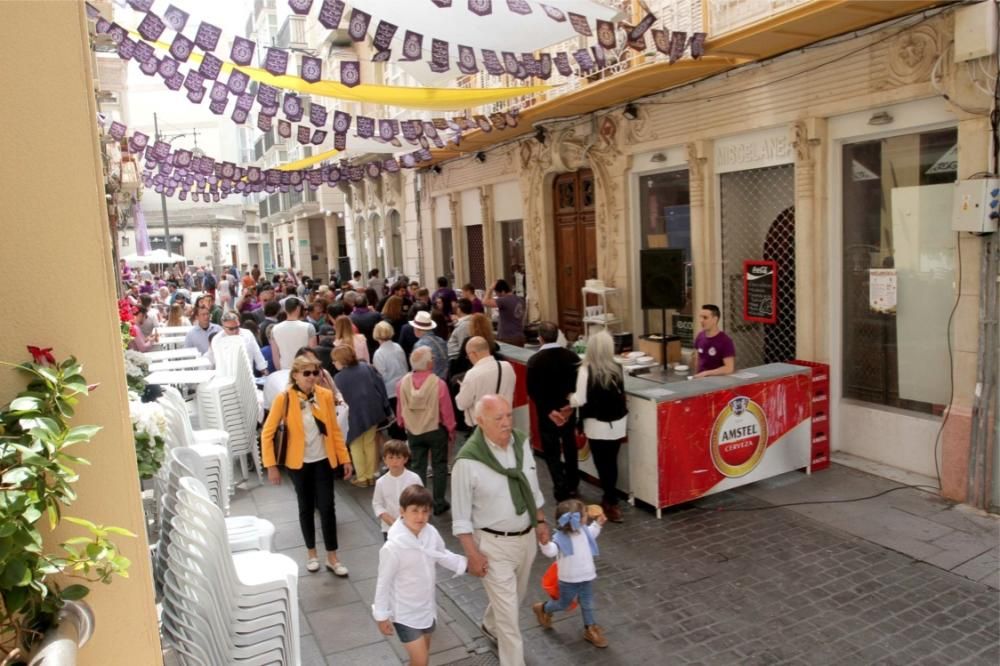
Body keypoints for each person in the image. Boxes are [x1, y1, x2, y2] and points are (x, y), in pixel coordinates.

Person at [451, 395, 548, 666]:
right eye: (498, 418)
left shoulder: (522, 443)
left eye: (508, 415)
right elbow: (460, 517)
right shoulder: (467, 462)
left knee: (514, 598)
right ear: (480, 422)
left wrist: (540, 521)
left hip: (526, 537)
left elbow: (532, 486)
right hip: (493, 546)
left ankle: (489, 624)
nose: (506, 423)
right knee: (510, 621)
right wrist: (473, 554)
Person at [261, 354, 353, 576]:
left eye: (315, 372)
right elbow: (267, 432)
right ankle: (311, 554)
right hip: (298, 463)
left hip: (323, 460)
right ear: (295, 375)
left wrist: (345, 458)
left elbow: (334, 431)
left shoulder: (325, 395)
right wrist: (271, 466)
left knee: (328, 507)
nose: (312, 377)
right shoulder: (284, 399)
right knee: (305, 507)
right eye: (307, 373)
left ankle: (333, 556)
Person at [372, 485, 468, 666]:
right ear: (402, 511)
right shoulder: (392, 548)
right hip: (404, 614)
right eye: (414, 511)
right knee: (422, 660)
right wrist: (381, 615)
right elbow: (383, 583)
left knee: (420, 659)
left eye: (425, 511)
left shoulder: (430, 532)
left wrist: (466, 565)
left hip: (427, 609)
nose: (420, 516)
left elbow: (442, 554)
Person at [532, 499, 609, 648]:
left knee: (587, 603)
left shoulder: (583, 530)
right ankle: (543, 608)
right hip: (568, 580)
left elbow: (592, 533)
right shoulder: (560, 538)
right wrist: (544, 543)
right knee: (564, 603)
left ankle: (590, 628)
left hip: (586, 576)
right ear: (576, 520)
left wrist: (598, 524)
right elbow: (551, 551)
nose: (587, 515)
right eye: (584, 515)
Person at [569, 331, 627, 523]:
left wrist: (569, 398)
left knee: (602, 463)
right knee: (612, 461)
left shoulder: (585, 370)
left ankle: (610, 499)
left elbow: (580, 399)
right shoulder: (617, 368)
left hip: (596, 424)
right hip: (617, 423)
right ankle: (611, 499)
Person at [396, 347, 456, 516]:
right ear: (429, 363)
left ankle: (419, 503)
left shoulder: (402, 383)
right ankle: (438, 502)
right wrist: (450, 429)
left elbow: (400, 409)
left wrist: (403, 424)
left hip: (413, 430)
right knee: (439, 466)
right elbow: (446, 411)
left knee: (418, 466)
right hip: (435, 430)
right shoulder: (438, 384)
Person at [527, 321, 581, 503]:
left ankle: (560, 488)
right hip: (567, 411)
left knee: (552, 453)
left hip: (546, 414)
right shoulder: (572, 357)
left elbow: (533, 391)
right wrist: (569, 408)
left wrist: (550, 411)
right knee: (570, 446)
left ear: (540, 338)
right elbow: (577, 386)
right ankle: (573, 483)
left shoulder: (534, 361)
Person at [332, 346, 391, 487]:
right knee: (370, 443)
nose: (333, 363)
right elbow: (380, 385)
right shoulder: (367, 368)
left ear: (341, 360)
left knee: (355, 445)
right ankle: (371, 475)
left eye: (334, 360)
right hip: (372, 411)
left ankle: (362, 477)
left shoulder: (339, 378)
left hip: (354, 416)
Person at [455, 337, 515, 429]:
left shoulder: (472, 374)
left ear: (473, 354)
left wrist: (462, 388)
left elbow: (461, 405)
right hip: (505, 422)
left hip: (483, 427)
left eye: (468, 356)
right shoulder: (507, 366)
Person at [371, 440, 423, 541]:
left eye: (398, 457)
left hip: (413, 527)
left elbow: (422, 500)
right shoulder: (381, 482)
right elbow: (377, 504)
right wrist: (388, 519)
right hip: (390, 529)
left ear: (405, 459)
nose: (394, 461)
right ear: (384, 460)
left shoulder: (414, 478)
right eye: (390, 458)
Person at [372, 321, 407, 440]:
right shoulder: (398, 347)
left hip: (390, 390)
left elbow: (381, 376)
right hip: (404, 385)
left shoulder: (379, 353)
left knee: (395, 421)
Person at [270, 297, 318, 370]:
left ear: (285, 309)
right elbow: (313, 352)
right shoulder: (309, 327)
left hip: (285, 370)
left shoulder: (274, 329)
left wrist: (279, 371)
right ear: (298, 308)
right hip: (304, 370)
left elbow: (275, 355)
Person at [692, 304, 735, 377]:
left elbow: (729, 368)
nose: (701, 321)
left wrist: (706, 373)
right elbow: (697, 358)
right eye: (700, 317)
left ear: (715, 319)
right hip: (700, 381)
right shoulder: (700, 336)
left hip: (717, 383)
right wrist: (696, 375)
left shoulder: (725, 341)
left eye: (705, 318)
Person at [484, 279, 525, 347]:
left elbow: (485, 302)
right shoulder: (520, 300)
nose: (497, 296)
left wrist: (490, 289)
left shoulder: (503, 300)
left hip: (507, 338)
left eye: (497, 293)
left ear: (502, 291)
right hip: (519, 336)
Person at [411, 311, 448, 379]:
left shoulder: (419, 346)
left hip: (430, 383)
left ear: (417, 328)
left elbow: (416, 370)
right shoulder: (441, 341)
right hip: (444, 381)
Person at [350, 294, 382, 359]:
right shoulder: (376, 315)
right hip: (374, 346)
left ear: (354, 305)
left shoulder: (350, 318)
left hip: (358, 348)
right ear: (367, 303)